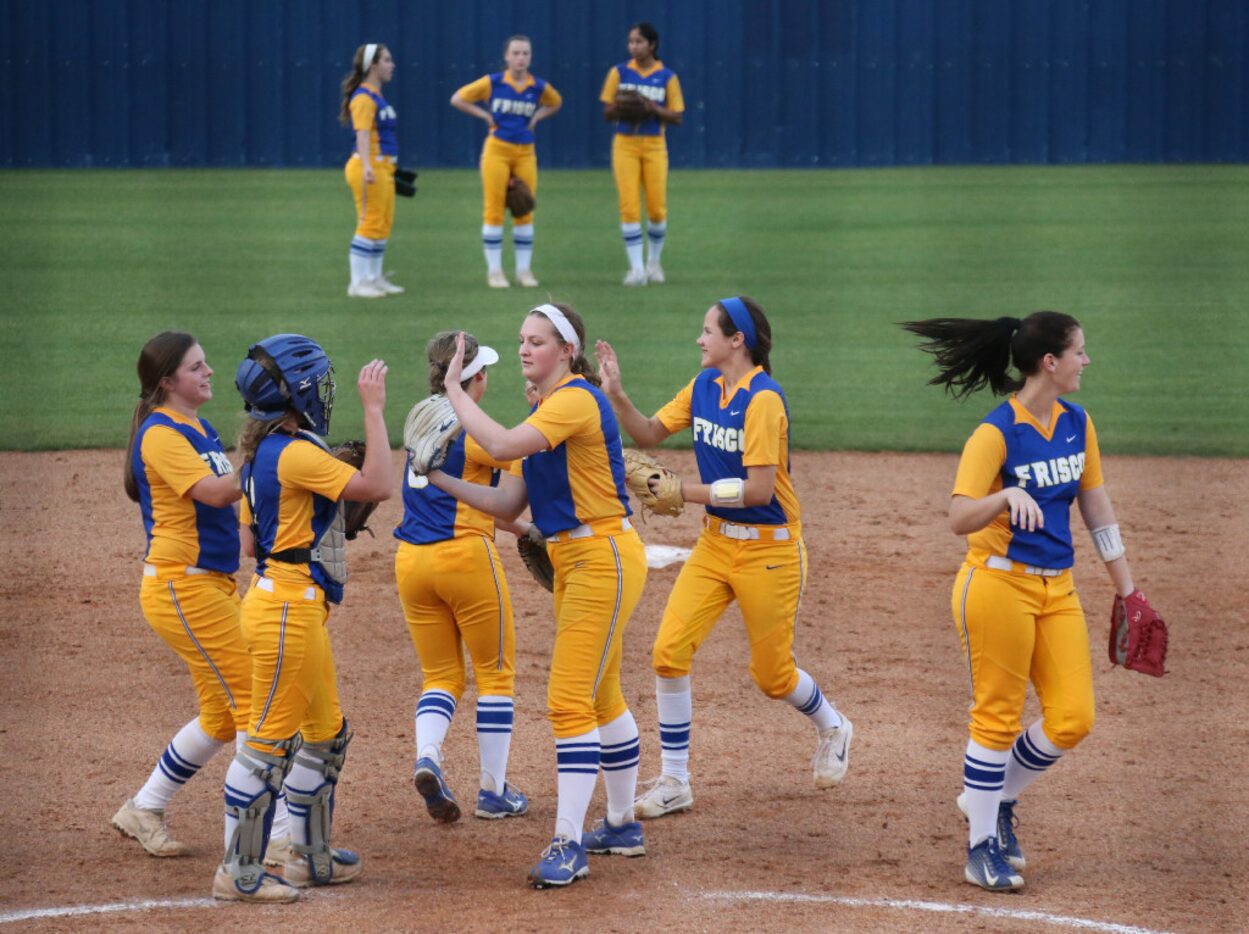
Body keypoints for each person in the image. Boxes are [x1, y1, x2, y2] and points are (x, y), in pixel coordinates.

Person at [901, 312, 1145, 892]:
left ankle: (993, 797)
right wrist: (1006, 494)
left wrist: (1128, 588)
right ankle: (981, 845)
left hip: (1056, 589)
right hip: (996, 585)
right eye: (1080, 352)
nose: (1088, 361)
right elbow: (959, 515)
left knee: (1073, 716)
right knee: (997, 714)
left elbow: (1095, 506)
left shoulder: (1077, 423)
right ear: (1050, 363)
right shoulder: (995, 433)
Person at [594, 296, 854, 820]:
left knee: (773, 676)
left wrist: (680, 492)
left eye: (707, 331)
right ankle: (674, 780)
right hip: (715, 545)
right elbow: (647, 433)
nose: (699, 339)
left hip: (771, 552)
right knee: (668, 652)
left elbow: (760, 490)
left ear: (738, 341)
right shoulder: (703, 388)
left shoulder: (764, 401)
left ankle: (833, 725)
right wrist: (617, 397)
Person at [425, 303, 648, 888]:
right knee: (601, 696)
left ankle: (568, 842)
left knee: (568, 700)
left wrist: (454, 389)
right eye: (521, 340)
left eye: (538, 341)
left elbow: (497, 446)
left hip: (604, 558)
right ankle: (622, 825)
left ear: (567, 351)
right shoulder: (545, 412)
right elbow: (507, 504)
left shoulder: (574, 400)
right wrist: (441, 478)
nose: (525, 350)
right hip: (576, 561)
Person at [214, 334, 392, 903]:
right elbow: (381, 485)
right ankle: (237, 872)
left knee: (325, 737)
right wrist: (374, 410)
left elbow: (249, 543)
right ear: (300, 393)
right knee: (268, 748)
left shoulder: (262, 454)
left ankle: (307, 858)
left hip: (286, 605)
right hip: (286, 614)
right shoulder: (293, 453)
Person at [115, 331, 290, 859]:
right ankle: (272, 840)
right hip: (181, 588)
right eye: (197, 367)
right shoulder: (160, 434)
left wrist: (252, 529)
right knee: (256, 702)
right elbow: (214, 490)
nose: (209, 372)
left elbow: (226, 503)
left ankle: (143, 808)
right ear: (168, 381)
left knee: (220, 716)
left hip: (208, 584)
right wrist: (269, 458)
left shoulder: (199, 427)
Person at [395, 332, 530, 824]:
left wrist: (523, 529)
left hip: (412, 564)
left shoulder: (421, 417)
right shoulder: (475, 430)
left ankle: (428, 756)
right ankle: (493, 791)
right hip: (466, 562)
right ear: (473, 379)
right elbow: (516, 465)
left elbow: (464, 495)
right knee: (494, 673)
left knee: (441, 676)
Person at [451, 35, 562, 289]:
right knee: (494, 209)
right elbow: (458, 98)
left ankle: (524, 271)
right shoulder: (494, 82)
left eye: (525, 53)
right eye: (516, 53)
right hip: (497, 150)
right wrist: (484, 114)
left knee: (524, 208)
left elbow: (556, 102)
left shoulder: (538, 87)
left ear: (530, 57)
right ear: (506, 56)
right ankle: (495, 272)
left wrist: (536, 117)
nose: (521, 58)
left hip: (525, 152)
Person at [599, 22, 684, 286]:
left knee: (657, 209)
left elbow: (677, 116)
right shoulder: (620, 72)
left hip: (655, 144)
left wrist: (651, 108)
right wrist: (624, 107)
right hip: (625, 143)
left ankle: (654, 263)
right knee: (629, 205)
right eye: (631, 41)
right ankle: (636, 269)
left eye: (639, 41)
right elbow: (607, 111)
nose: (633, 46)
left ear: (652, 45)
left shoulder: (667, 76)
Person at [342, 42, 403, 299]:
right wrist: (367, 166)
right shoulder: (364, 97)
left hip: (383, 166)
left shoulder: (376, 95)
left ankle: (373, 278)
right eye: (386, 60)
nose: (392, 65)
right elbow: (363, 134)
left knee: (382, 223)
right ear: (373, 65)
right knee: (369, 222)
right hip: (369, 166)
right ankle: (357, 283)